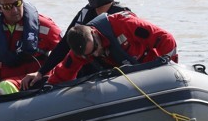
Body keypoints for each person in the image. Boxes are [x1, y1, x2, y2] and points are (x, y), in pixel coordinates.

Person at [21, 0, 131, 89]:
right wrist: (41, 72)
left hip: (117, 74)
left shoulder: (122, 15)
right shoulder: (86, 13)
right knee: (37, 84)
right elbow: (65, 44)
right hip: (88, 73)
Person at [47, 11, 178, 84]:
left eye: (95, 48)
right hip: (128, 81)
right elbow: (63, 73)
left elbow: (166, 39)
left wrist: (170, 70)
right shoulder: (83, 50)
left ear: (94, 32)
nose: (96, 54)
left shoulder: (124, 24)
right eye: (89, 54)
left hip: (153, 69)